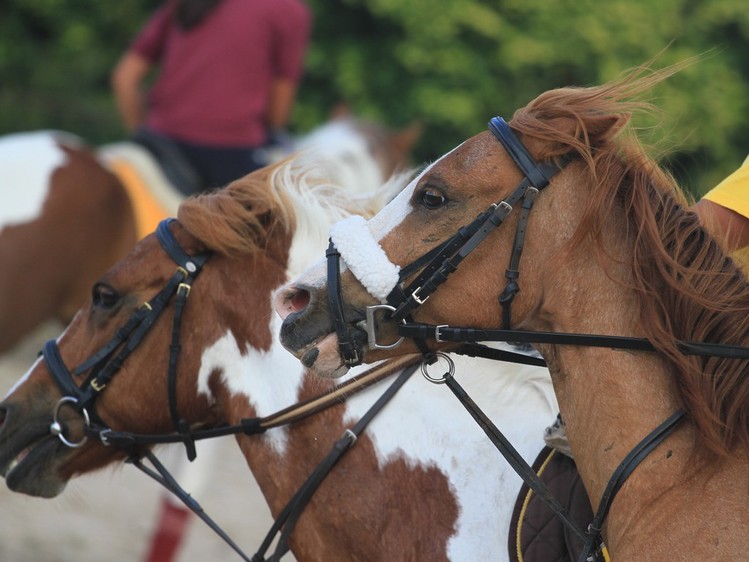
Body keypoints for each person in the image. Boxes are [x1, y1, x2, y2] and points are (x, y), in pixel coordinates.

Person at [111, 0, 312, 194]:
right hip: (231, 150)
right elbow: (277, 116)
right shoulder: (288, 9)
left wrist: (142, 132)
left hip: (159, 142)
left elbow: (125, 78)